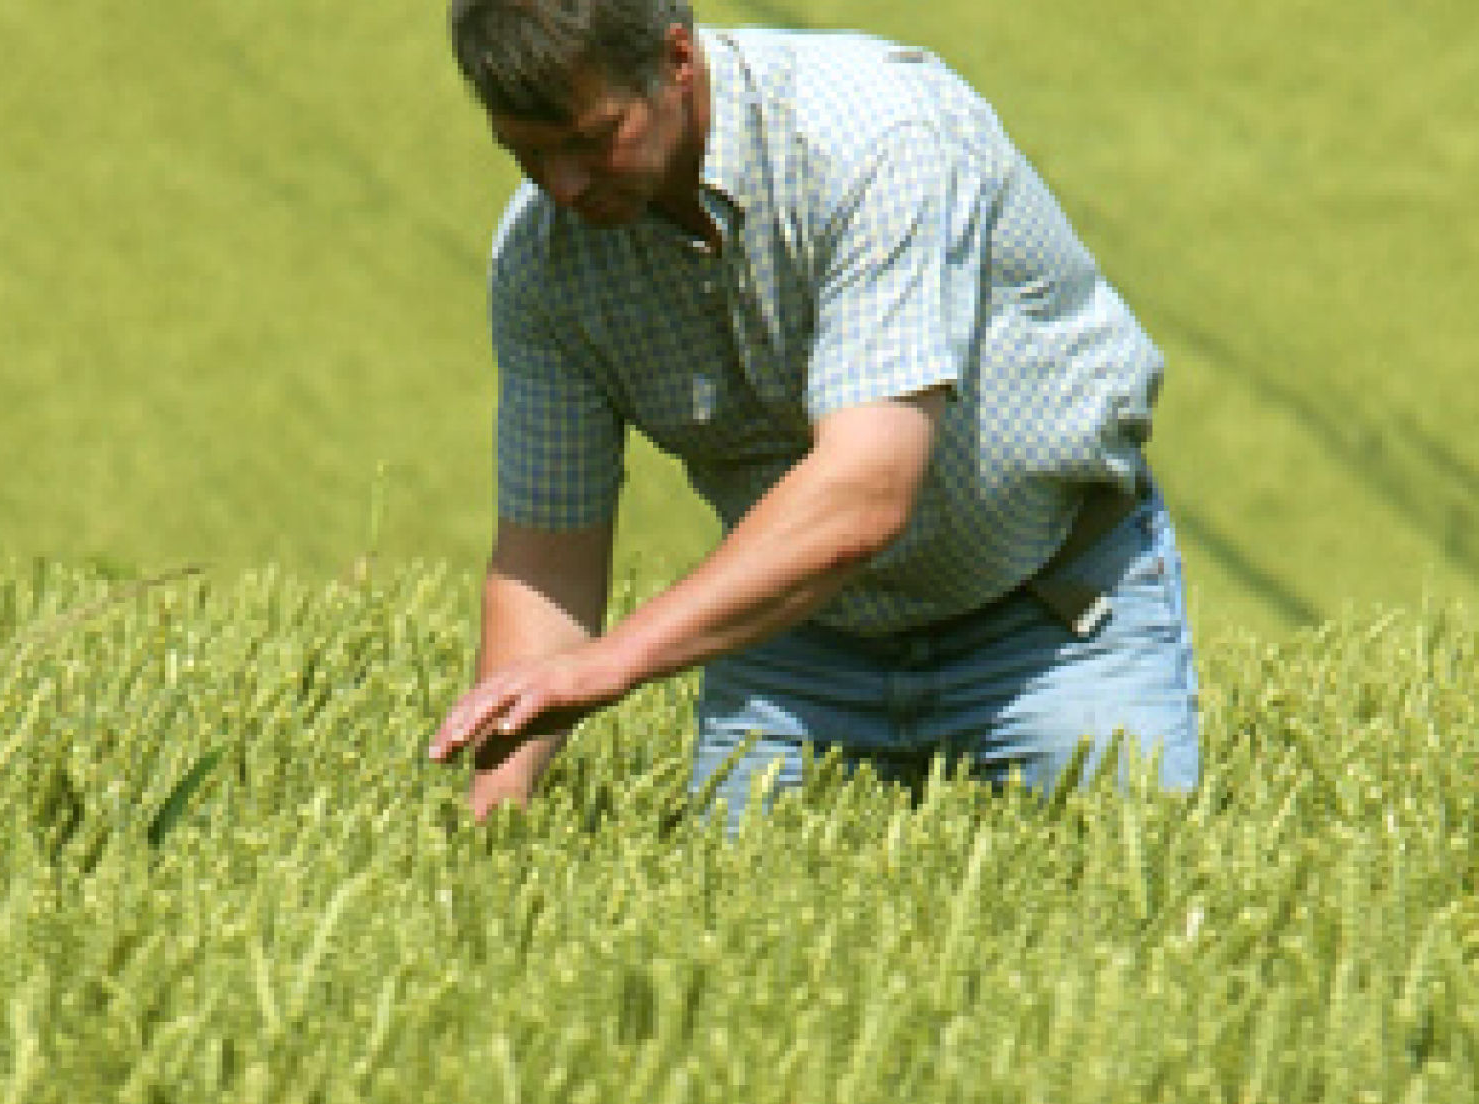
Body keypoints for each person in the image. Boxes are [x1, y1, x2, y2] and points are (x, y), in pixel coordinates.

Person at [425, 0, 1201, 830]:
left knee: (1116, 918)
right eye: (526, 154)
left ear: (676, 61)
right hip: (795, 653)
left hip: (1053, 624)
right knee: (735, 939)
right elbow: (548, 556)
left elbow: (866, 490)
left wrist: (612, 664)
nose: (563, 185)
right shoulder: (543, 259)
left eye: (589, 139)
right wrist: (490, 831)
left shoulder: (873, 139)